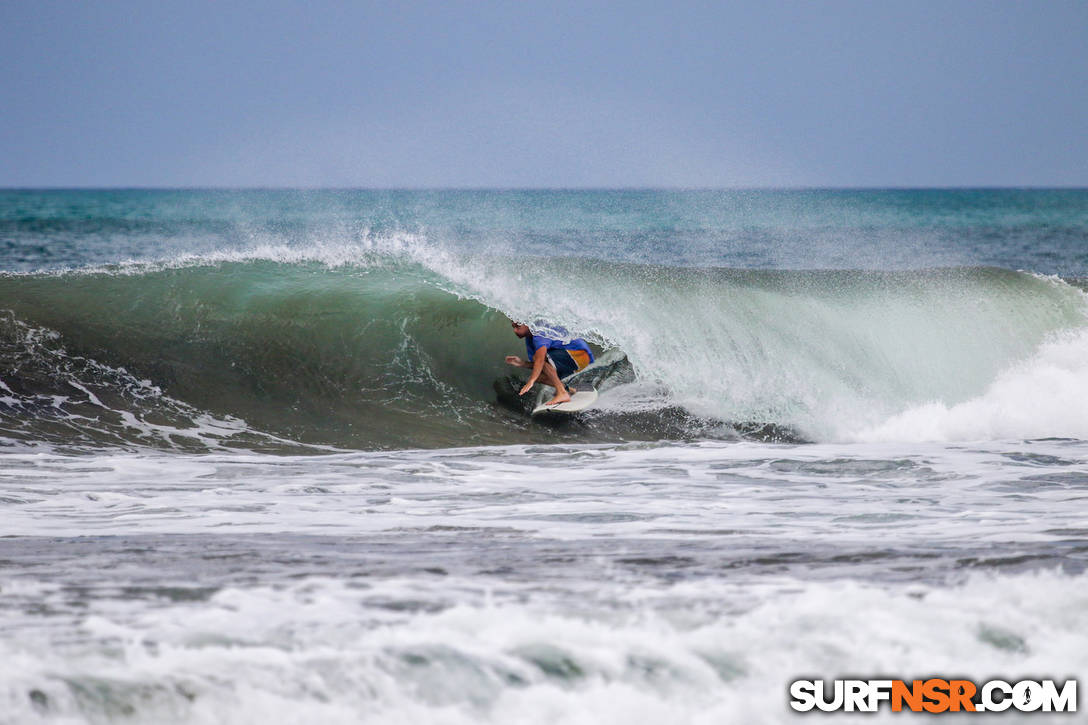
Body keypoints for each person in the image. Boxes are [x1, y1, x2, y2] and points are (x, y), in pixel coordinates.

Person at [506, 321, 595, 406]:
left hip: (579, 354)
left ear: (527, 324)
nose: (515, 331)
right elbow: (540, 365)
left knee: (537, 364)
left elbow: (540, 361)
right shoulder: (530, 339)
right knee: (539, 377)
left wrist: (530, 381)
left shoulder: (539, 332)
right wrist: (523, 363)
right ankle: (569, 390)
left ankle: (562, 393)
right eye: (513, 327)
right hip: (574, 359)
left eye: (518, 327)